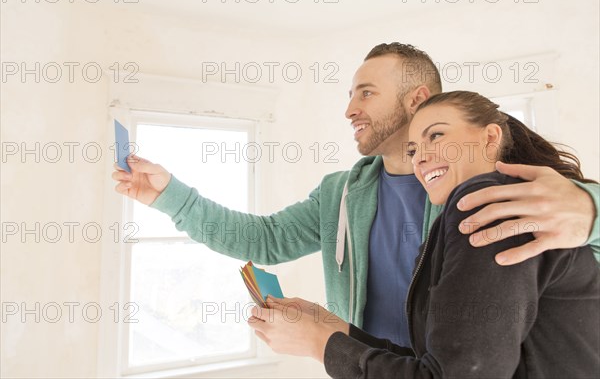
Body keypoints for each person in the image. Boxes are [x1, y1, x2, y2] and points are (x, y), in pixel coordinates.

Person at [112, 43, 600, 347]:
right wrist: (170, 196)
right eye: (350, 94)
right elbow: (262, 241)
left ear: (418, 99)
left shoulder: (501, 184)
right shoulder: (341, 193)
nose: (349, 108)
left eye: (365, 92)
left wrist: (592, 211)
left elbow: (577, 269)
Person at [248, 91, 600, 378]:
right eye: (414, 148)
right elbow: (435, 366)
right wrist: (332, 330)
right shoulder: (470, 215)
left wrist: (319, 343)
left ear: (490, 137)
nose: (421, 158)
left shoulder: (488, 202)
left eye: (437, 135)